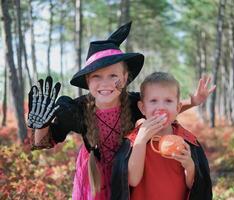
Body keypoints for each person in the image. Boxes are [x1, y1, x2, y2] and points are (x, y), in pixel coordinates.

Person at [27, 22, 215, 200]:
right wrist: (41, 125)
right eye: (97, 77)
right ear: (87, 82)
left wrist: (193, 101)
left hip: (128, 169)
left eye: (113, 76)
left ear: (125, 79)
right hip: (94, 177)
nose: (105, 83)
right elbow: (42, 143)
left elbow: (161, 111)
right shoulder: (77, 109)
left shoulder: (133, 103)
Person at [111, 72, 212, 200]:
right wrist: (140, 141)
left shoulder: (186, 141)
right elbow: (132, 180)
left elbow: (195, 187)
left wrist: (189, 165)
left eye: (168, 101)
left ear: (177, 107)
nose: (161, 107)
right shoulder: (134, 140)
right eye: (153, 101)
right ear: (142, 108)